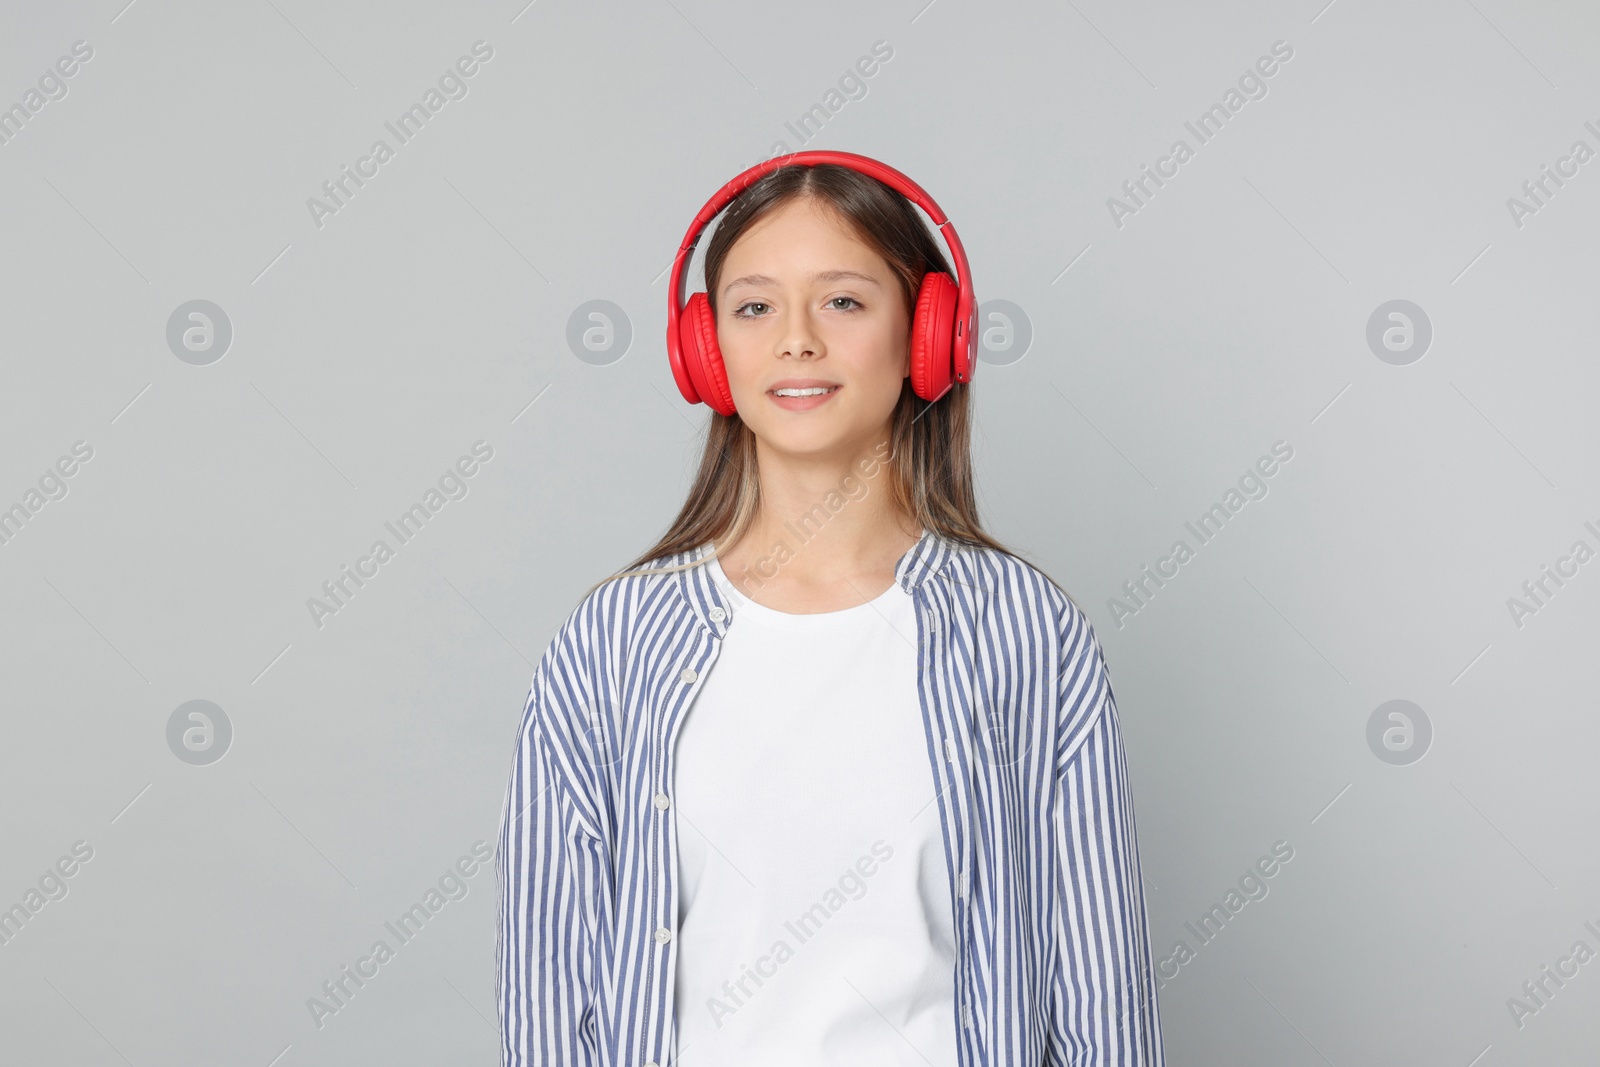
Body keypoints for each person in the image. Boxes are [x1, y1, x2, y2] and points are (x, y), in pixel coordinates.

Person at [496, 153, 1165, 1067]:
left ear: (929, 337)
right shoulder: (611, 643)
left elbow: (1100, 988)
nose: (795, 339)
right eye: (754, 305)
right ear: (706, 352)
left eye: (844, 301)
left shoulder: (1025, 628)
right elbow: (547, 990)